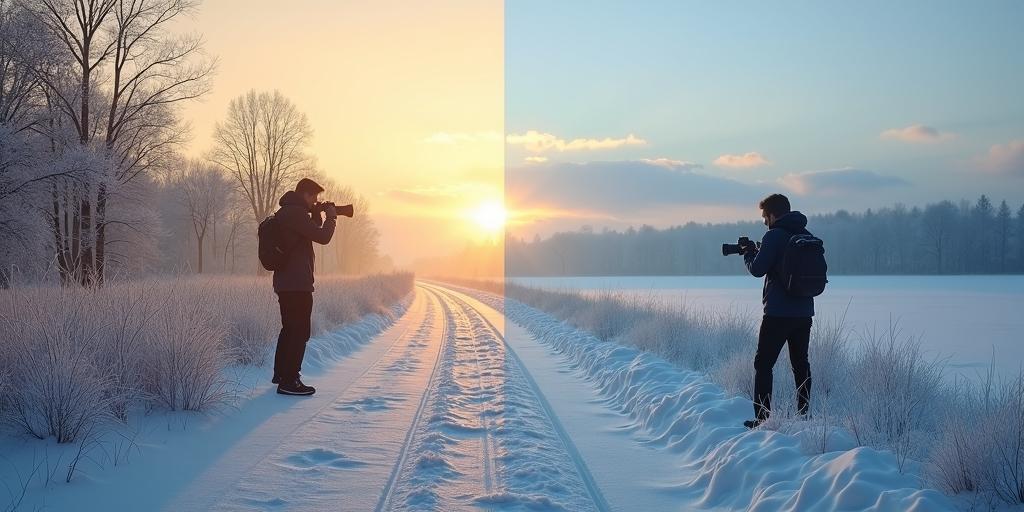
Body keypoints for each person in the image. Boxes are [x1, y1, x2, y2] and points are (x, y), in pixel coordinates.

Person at [741, 193, 814, 428]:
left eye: (765, 217)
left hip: (777, 314)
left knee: (763, 365)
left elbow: (757, 269)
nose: (764, 221)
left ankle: (762, 419)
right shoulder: (805, 234)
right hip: (804, 313)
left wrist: (749, 254)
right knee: (800, 364)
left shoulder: (773, 236)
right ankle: (804, 414)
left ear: (773, 215)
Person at [271, 178, 337, 396]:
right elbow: (323, 237)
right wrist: (332, 217)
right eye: (315, 197)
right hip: (297, 284)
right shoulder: (296, 214)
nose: (316, 201)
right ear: (306, 195)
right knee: (300, 331)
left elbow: (309, 232)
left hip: (287, 283)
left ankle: (282, 375)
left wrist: (316, 215)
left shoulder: (288, 212)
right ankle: (289, 381)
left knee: (290, 329)